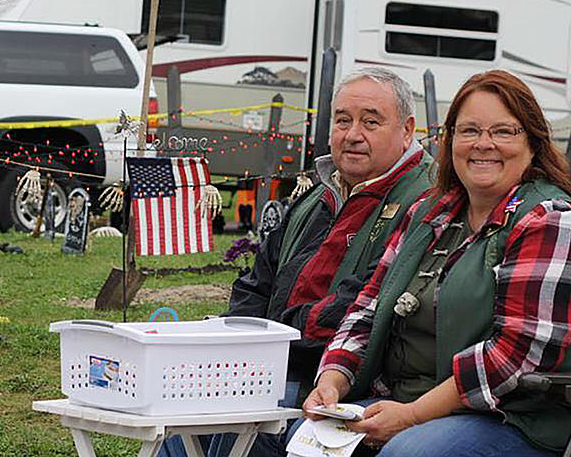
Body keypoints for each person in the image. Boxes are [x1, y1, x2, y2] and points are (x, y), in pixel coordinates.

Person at [295, 70, 571, 457]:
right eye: (469, 131)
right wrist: (332, 381)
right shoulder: (430, 213)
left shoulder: (556, 222)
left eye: (503, 132)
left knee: (411, 453)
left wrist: (411, 416)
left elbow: (510, 358)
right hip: (417, 410)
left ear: (534, 144)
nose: (483, 145)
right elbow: (368, 310)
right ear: (450, 141)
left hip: (534, 423)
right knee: (305, 441)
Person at [159, 67, 434, 457]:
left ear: (407, 130)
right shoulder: (314, 197)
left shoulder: (422, 205)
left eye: (371, 122)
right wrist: (241, 341)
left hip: (344, 380)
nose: (353, 134)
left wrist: (271, 339)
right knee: (181, 425)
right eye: (343, 120)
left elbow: (355, 310)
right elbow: (256, 282)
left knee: (244, 429)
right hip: (269, 365)